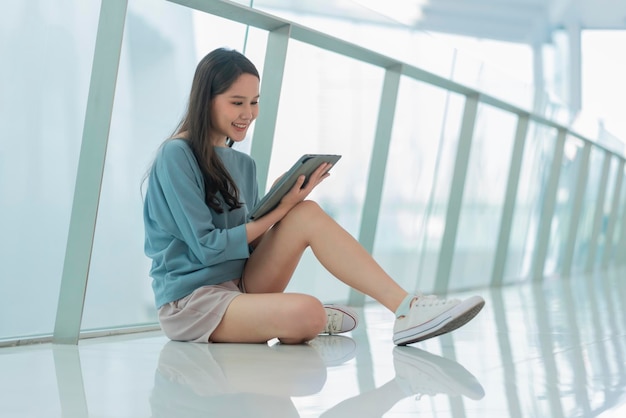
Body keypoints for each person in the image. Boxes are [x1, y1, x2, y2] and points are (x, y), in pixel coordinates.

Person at [143, 47, 485, 346]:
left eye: (254, 102)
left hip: (241, 285)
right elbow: (207, 248)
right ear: (206, 100)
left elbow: (247, 248)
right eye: (237, 103)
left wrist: (281, 202)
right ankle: (303, 317)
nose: (248, 113)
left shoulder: (243, 164)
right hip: (192, 302)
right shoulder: (177, 155)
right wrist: (277, 213)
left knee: (305, 212)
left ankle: (407, 307)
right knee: (307, 312)